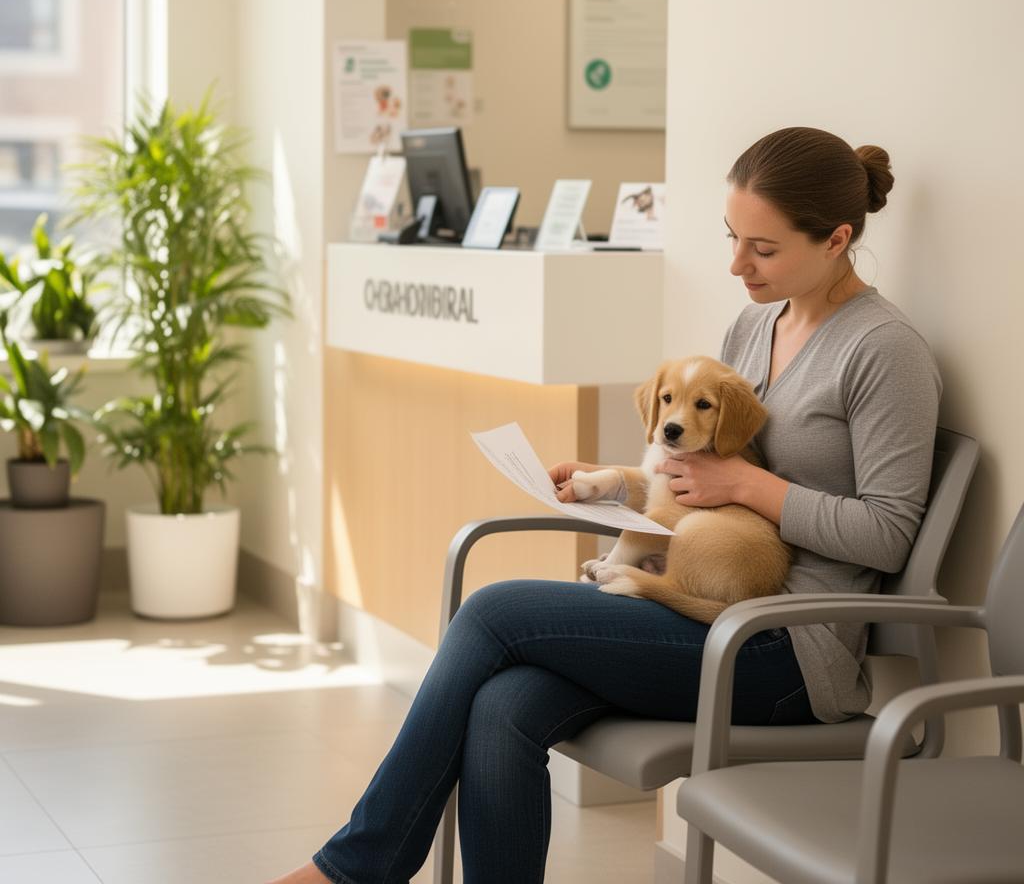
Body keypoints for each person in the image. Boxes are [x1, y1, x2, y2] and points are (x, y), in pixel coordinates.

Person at [268, 127, 940, 884]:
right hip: (701, 603)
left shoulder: (886, 351)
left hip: (787, 649)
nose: (735, 264)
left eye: (763, 247)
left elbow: (887, 534)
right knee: (505, 706)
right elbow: (699, 474)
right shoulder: (756, 325)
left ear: (837, 239)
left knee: (493, 611)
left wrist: (749, 488)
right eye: (732, 237)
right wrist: (621, 482)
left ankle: (357, 866)